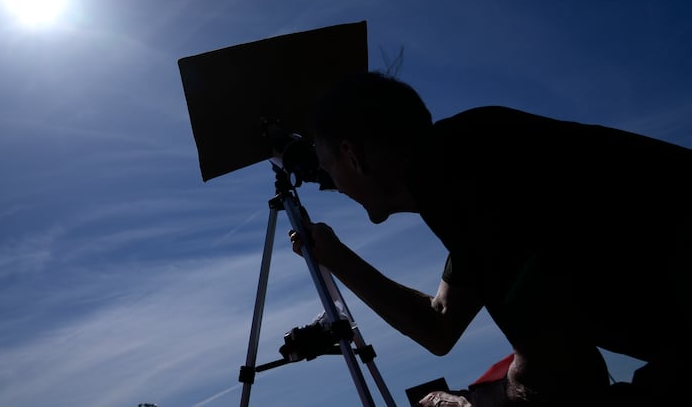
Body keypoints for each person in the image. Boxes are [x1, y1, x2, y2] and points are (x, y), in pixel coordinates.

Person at [288, 70, 691, 406]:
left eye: (328, 169)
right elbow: (439, 325)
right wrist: (336, 258)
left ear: (353, 156)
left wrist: (472, 402)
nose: (334, 186)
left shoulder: (463, 175)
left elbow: (562, 378)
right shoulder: (467, 156)